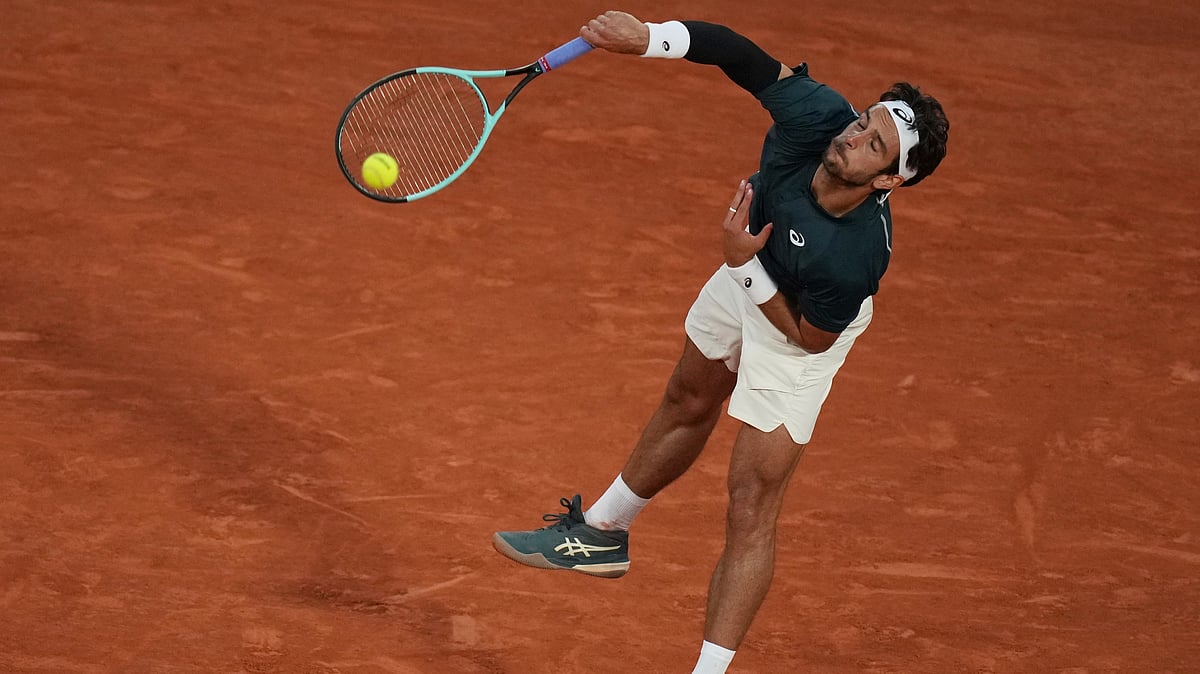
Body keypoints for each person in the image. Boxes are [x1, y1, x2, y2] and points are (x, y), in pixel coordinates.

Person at [493, 11, 950, 673]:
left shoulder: (855, 257)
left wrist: (741, 266)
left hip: (798, 325)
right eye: (862, 123)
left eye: (873, 144)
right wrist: (646, 38)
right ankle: (601, 533)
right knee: (687, 396)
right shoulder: (817, 116)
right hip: (751, 265)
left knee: (750, 502)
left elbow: (812, 339)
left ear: (888, 180)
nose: (852, 138)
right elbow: (733, 51)